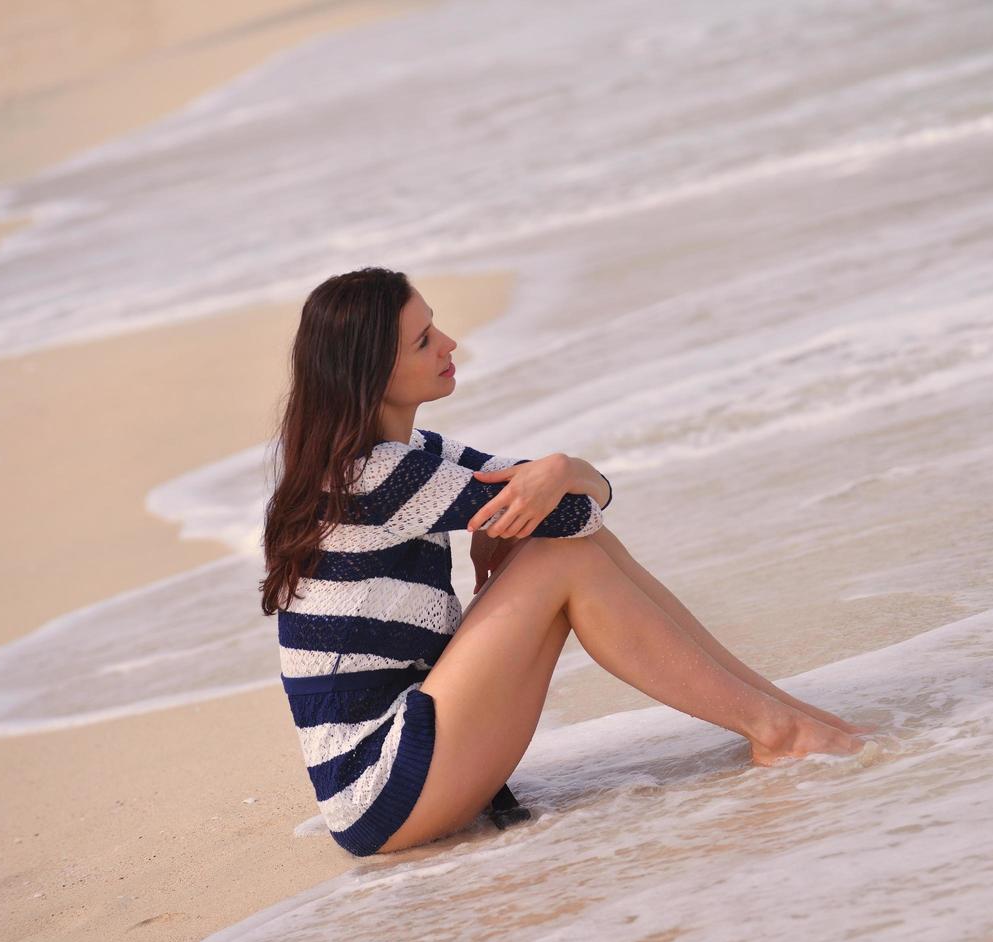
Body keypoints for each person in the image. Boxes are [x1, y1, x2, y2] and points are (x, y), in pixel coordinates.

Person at [259, 266, 871, 857]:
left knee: (567, 547)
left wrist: (559, 479)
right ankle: (777, 728)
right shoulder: (372, 476)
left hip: (422, 752)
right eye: (423, 341)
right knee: (562, 557)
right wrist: (565, 471)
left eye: (435, 327)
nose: (449, 344)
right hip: (380, 793)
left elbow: (562, 508)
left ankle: (780, 714)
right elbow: (572, 512)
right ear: (370, 374)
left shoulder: (414, 452)